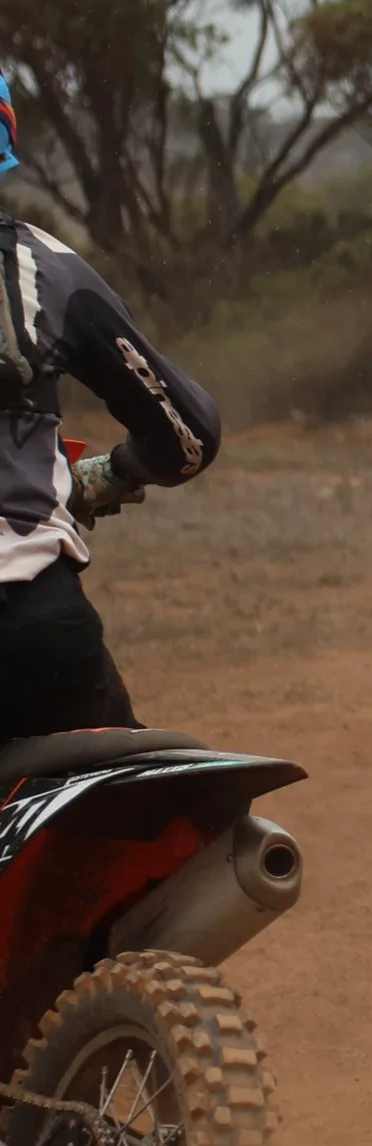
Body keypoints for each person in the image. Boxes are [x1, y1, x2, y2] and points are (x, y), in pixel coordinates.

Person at [0, 71, 224, 745]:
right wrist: (110, 472)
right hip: (29, 624)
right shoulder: (39, 270)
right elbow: (190, 437)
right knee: (139, 828)